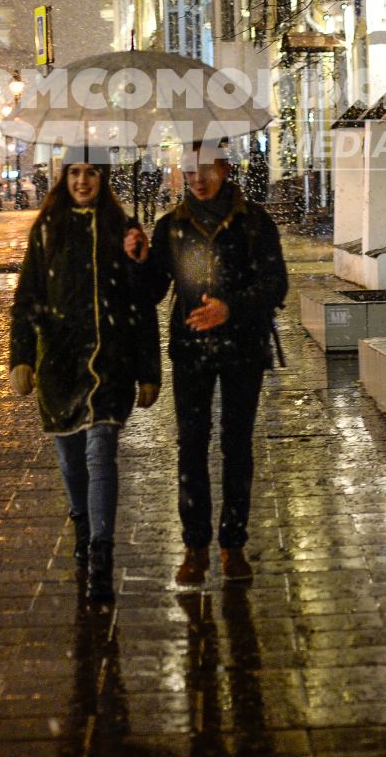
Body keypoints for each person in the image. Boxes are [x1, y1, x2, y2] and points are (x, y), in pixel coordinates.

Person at [132, 145, 288, 586]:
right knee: (191, 447)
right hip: (191, 350)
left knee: (236, 445)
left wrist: (230, 307)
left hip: (242, 350)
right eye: (187, 171)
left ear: (224, 168)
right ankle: (195, 545)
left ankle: (232, 544)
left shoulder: (254, 222)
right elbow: (149, 293)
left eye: (204, 169)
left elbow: (276, 284)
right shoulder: (171, 228)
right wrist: (139, 260)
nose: (196, 179)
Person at [9, 158, 160, 604]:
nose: (82, 181)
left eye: (91, 173)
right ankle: (81, 521)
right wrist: (21, 356)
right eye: (74, 172)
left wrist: (139, 260)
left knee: (101, 455)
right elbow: (27, 297)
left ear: (103, 178)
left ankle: (101, 552)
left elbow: (143, 303)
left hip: (111, 363)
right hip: (59, 365)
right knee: (72, 462)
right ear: (64, 177)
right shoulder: (48, 228)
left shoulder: (121, 226)